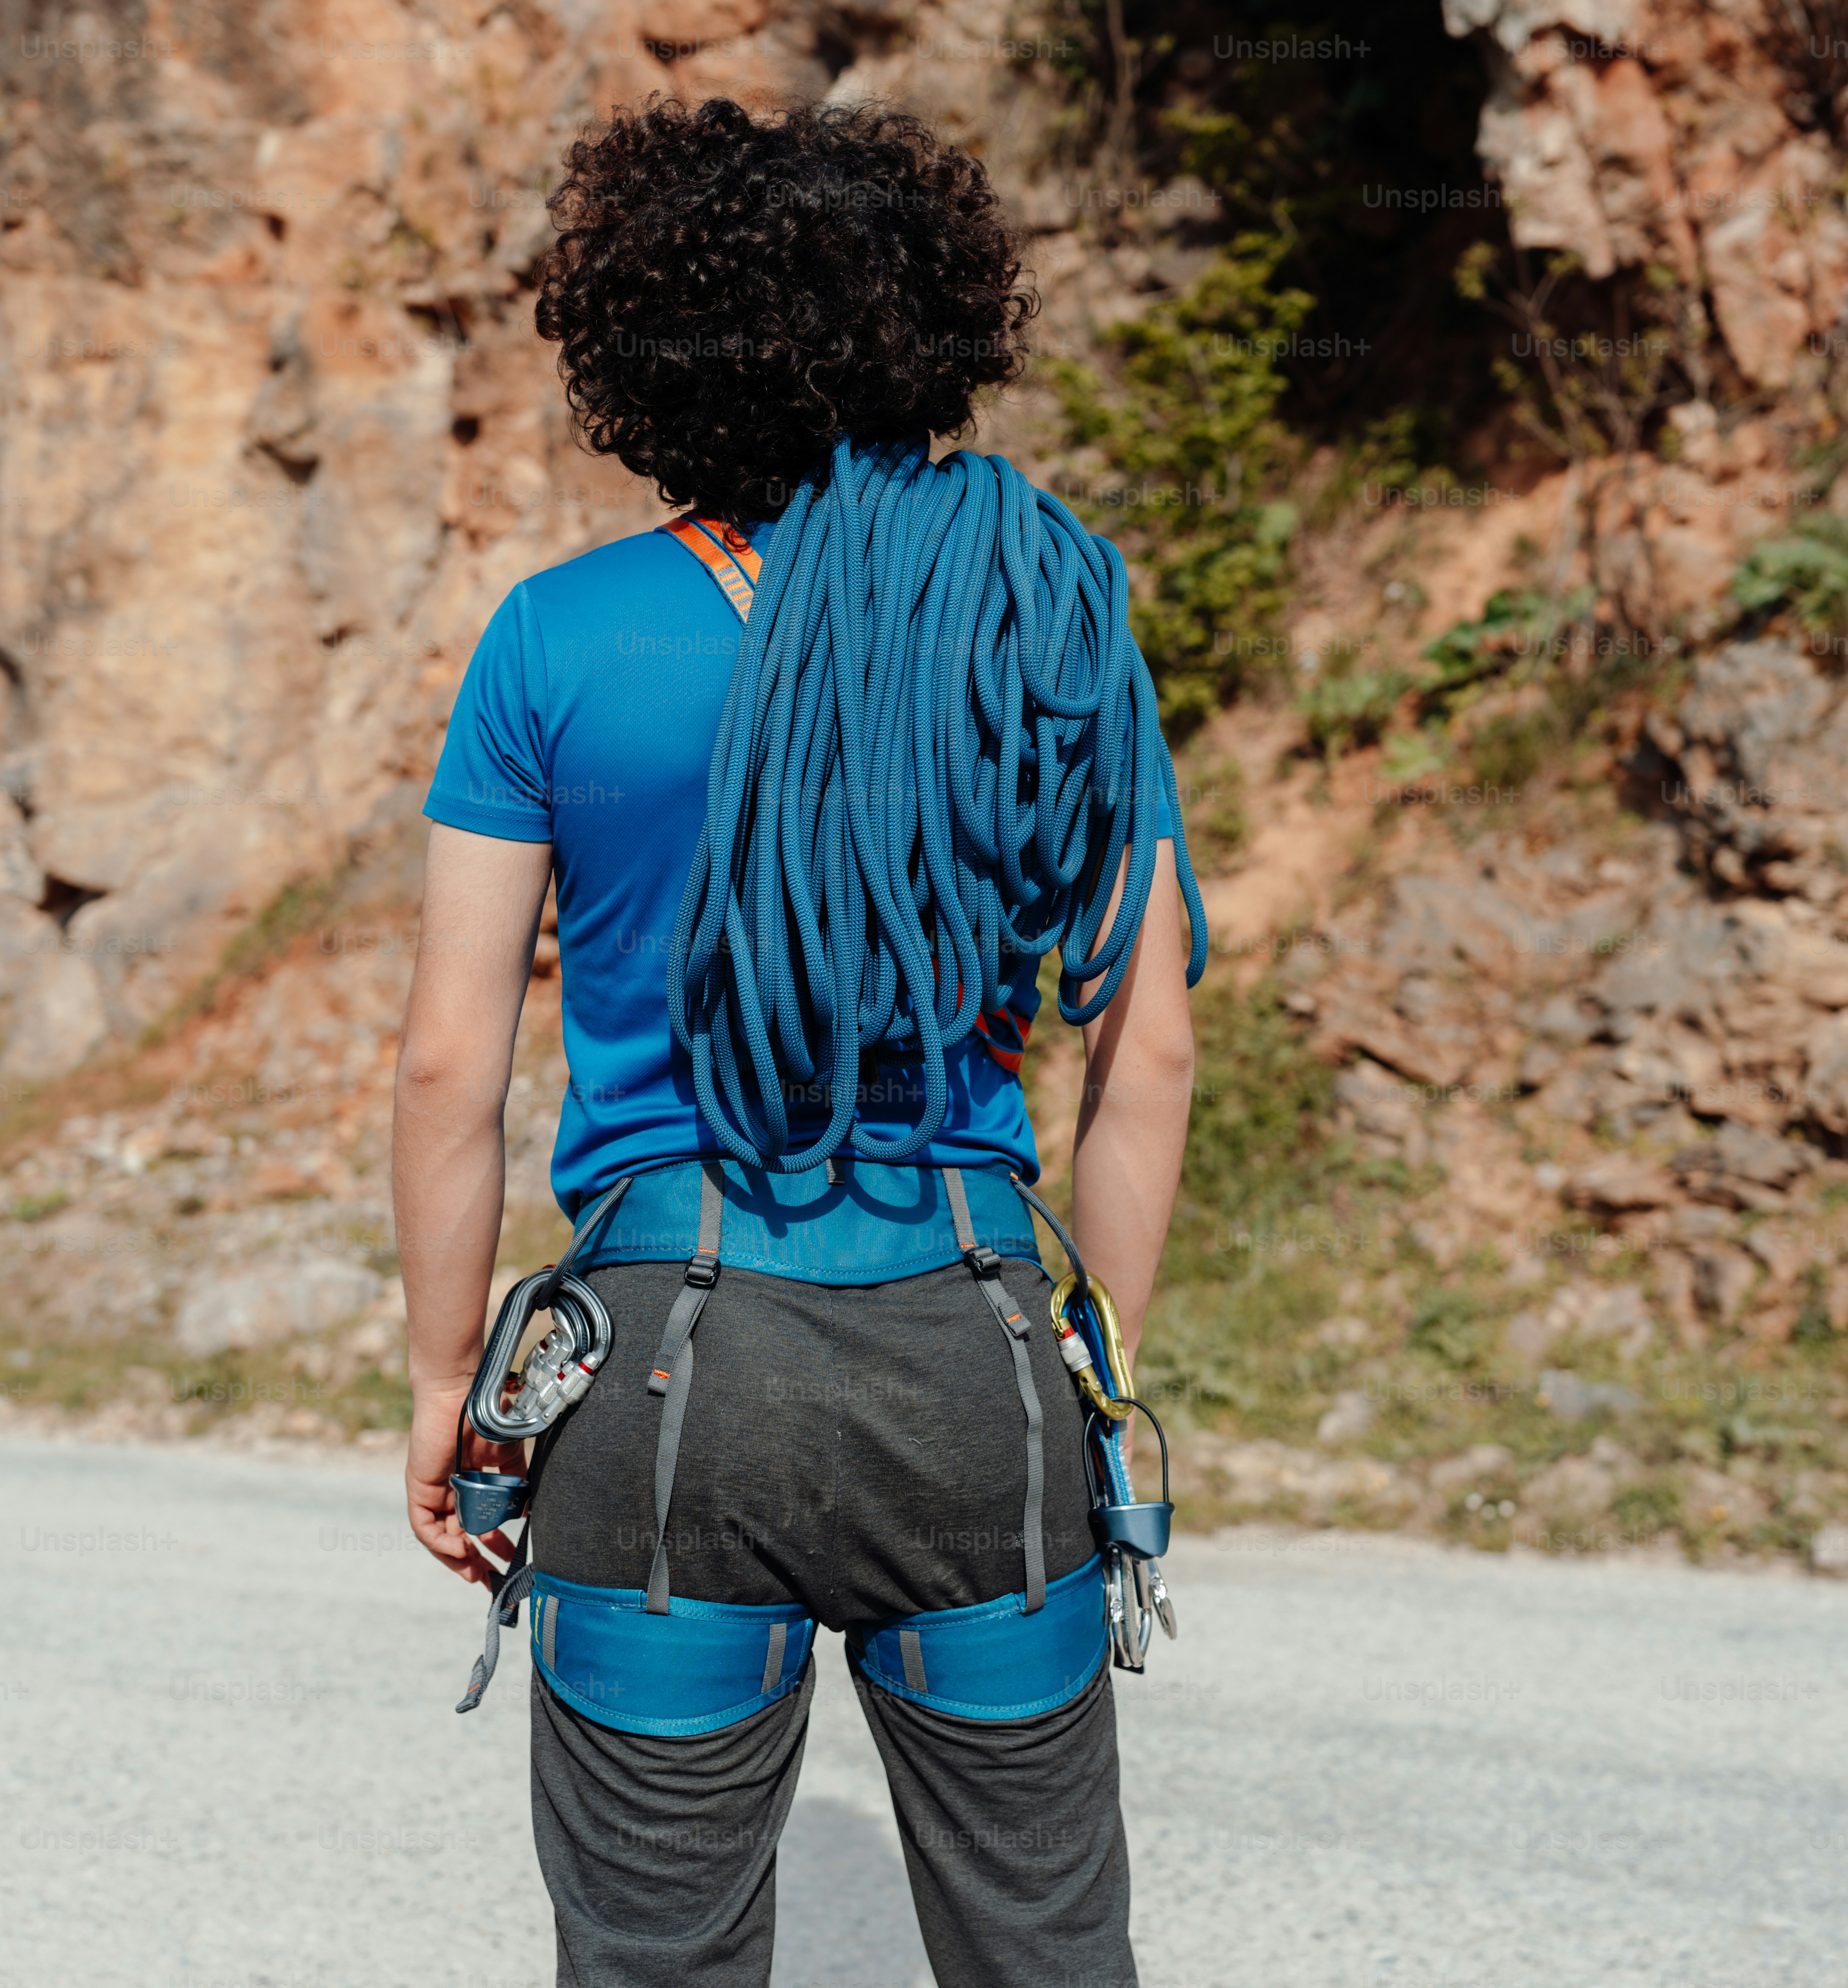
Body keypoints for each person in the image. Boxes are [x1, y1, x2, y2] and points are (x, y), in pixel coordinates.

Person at [393, 94, 1197, 1988]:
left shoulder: (558, 638)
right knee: (1046, 1951)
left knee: (653, 1958)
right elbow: (1144, 1052)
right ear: (934, 323)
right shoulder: (1049, 613)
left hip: (663, 1377)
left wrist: (444, 1383)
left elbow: (447, 1068)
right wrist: (1096, 1365)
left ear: (644, 344)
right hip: (972, 1354)